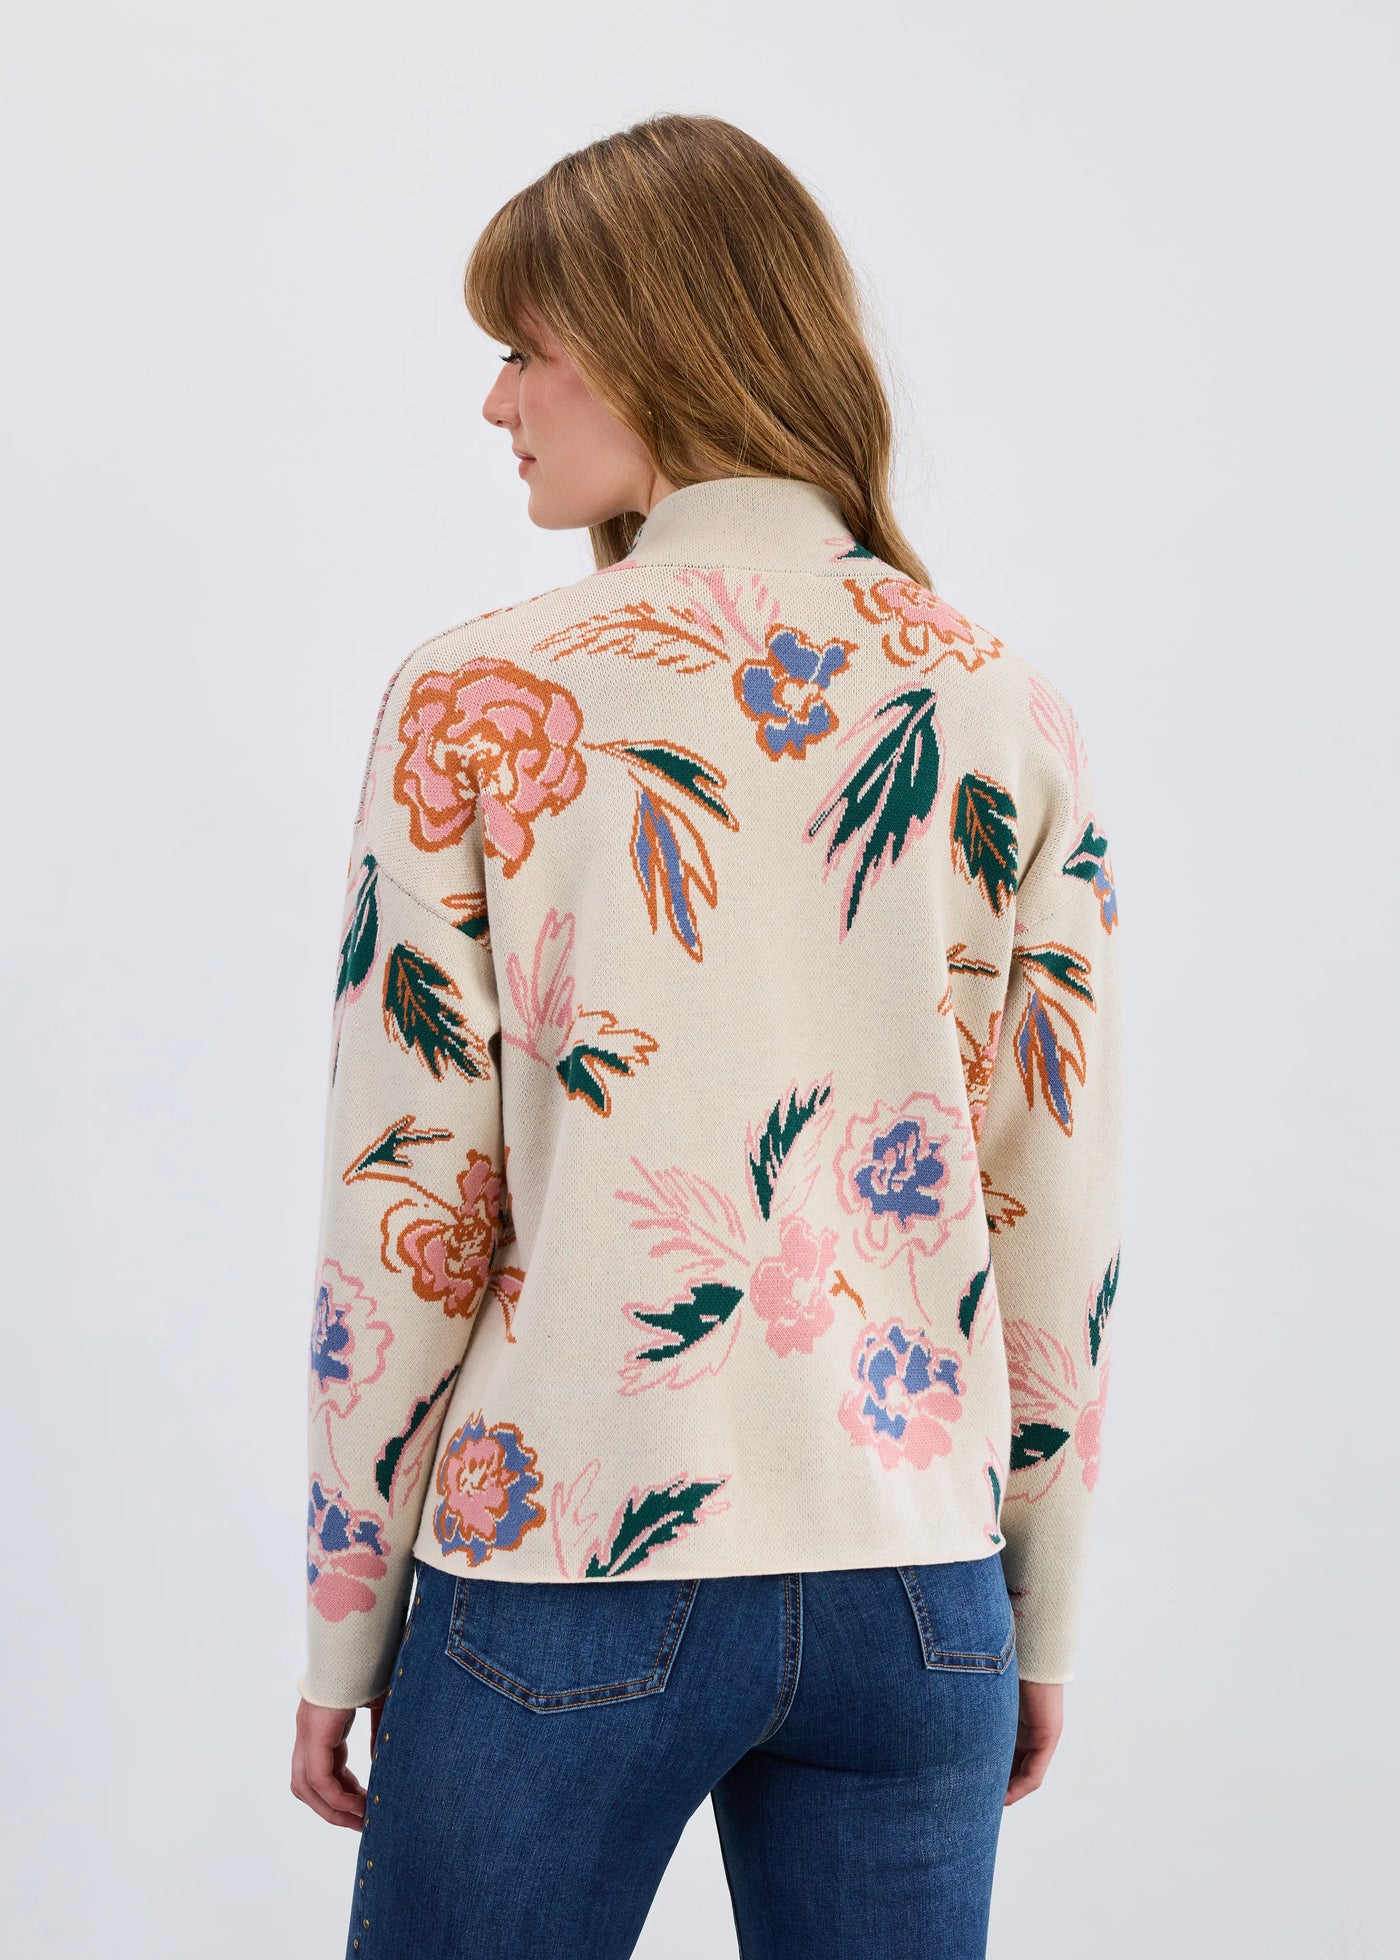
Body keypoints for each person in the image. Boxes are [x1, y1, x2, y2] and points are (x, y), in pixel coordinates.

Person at [289, 111, 1124, 1960]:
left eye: (524, 345)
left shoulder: (479, 699)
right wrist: (1033, 1610)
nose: (496, 403)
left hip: (571, 1566)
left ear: (658, 340)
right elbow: (1051, 1196)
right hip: (920, 1589)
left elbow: (410, 1191)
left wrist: (348, 1617)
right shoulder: (1005, 703)